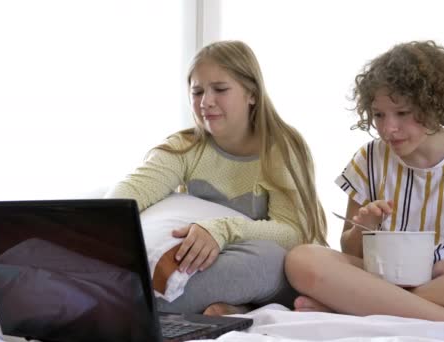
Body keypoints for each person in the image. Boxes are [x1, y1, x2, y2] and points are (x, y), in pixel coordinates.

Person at [284, 40, 444, 334]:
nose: (387, 128)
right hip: (382, 277)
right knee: (301, 258)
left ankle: (364, 305)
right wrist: (363, 227)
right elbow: (351, 250)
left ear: (434, 105)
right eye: (379, 115)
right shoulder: (368, 158)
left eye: (402, 113)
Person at [106, 40, 327, 316]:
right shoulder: (185, 146)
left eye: (220, 90)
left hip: (262, 265)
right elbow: (135, 190)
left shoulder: (282, 148)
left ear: (252, 94)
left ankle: (130, 306)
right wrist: (94, 230)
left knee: (271, 259)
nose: (206, 102)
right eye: (197, 91)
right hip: (203, 267)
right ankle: (234, 307)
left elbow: (293, 233)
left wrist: (222, 230)